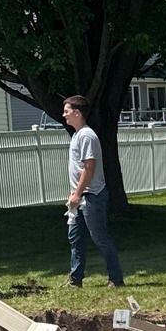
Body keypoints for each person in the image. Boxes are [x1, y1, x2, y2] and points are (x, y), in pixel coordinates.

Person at [62, 94, 125, 288]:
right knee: (75, 238)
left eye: (67, 111)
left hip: (92, 196)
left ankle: (116, 279)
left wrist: (78, 193)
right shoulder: (77, 135)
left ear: (77, 112)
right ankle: (75, 279)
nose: (63, 115)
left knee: (100, 238)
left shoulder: (87, 136)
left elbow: (89, 167)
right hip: (79, 196)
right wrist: (74, 193)